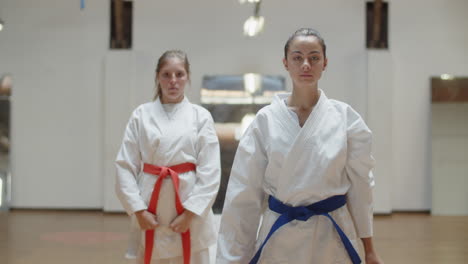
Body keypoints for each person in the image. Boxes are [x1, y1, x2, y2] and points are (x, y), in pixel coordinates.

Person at [216, 28, 384, 264]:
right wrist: (233, 258)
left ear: (325, 63)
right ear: (286, 63)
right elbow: (244, 194)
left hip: (332, 236)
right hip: (280, 237)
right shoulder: (265, 121)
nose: (306, 64)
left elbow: (361, 187)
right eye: (297, 57)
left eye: (314, 57)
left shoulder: (346, 119)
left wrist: (369, 249)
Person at [115, 50, 221, 264]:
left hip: (189, 208)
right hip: (151, 210)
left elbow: (210, 171)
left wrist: (189, 214)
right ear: (157, 77)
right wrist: (138, 210)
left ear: (188, 77)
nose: (173, 81)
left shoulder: (201, 117)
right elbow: (125, 165)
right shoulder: (141, 115)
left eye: (179, 74)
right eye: (166, 74)